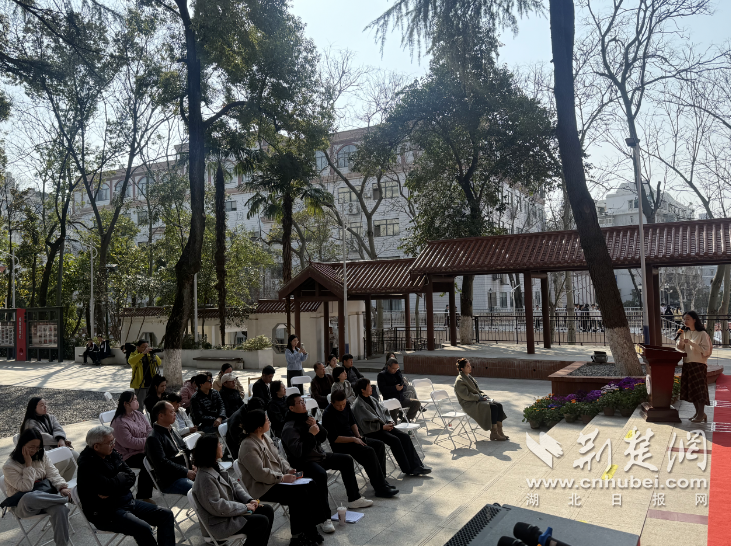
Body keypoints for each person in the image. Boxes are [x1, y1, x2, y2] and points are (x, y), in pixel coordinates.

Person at [237, 410, 333, 545]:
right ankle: (299, 536)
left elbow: (279, 458)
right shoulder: (248, 446)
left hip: (275, 480)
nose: (269, 421)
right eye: (266, 420)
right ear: (258, 427)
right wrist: (282, 478)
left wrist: (288, 470)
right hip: (262, 487)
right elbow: (260, 474)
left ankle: (312, 529)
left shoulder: (264, 437)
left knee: (310, 484)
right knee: (298, 493)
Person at [76, 425, 175, 546]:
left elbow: (131, 476)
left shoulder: (112, 454)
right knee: (143, 529)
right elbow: (106, 488)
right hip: (105, 513)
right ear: (96, 446)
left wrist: (114, 485)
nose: (113, 444)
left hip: (126, 502)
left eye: (113, 440)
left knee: (166, 515)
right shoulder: (87, 466)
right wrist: (119, 481)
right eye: (110, 442)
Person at [281, 393, 374, 511]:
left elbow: (323, 437)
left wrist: (316, 425)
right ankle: (324, 515)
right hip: (304, 463)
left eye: (303, 401)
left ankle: (354, 499)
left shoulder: (307, 419)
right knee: (320, 474)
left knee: (346, 460)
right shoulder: (290, 427)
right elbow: (298, 452)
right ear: (292, 408)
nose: (303, 404)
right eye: (299, 403)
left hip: (318, 456)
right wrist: (311, 434)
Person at [191, 434, 274, 546]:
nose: (221, 445)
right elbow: (218, 506)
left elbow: (234, 484)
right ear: (211, 450)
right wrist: (245, 507)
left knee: (267, 510)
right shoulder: (204, 478)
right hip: (220, 523)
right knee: (261, 522)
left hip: (229, 514)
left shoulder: (214, 465)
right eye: (219, 444)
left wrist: (248, 500)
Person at [322, 389, 398, 498]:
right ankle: (380, 488)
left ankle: (381, 480)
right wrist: (354, 439)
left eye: (343, 404)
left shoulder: (346, 405)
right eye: (338, 405)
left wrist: (357, 436)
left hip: (353, 438)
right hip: (341, 444)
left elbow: (352, 422)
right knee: (368, 451)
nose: (342, 407)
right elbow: (335, 439)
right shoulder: (327, 414)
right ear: (332, 403)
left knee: (379, 445)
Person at [2, 429, 72, 546]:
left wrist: (62, 488)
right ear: (21, 445)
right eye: (31, 447)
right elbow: (26, 488)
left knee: (60, 509)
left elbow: (53, 473)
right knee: (29, 496)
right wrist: (28, 465)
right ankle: (68, 499)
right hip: (23, 505)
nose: (34, 450)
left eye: (37, 447)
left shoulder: (41, 455)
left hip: (45, 499)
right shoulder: (9, 466)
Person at [351, 378, 430, 476]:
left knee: (405, 437)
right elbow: (364, 425)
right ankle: (408, 469)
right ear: (362, 390)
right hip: (373, 431)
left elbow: (384, 411)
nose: (371, 388)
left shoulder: (372, 399)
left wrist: (389, 421)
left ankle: (416, 466)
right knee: (395, 440)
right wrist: (382, 427)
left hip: (384, 426)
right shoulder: (358, 405)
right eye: (369, 386)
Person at [110, 391, 155, 503]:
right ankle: (143, 496)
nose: (136, 401)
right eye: (133, 400)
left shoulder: (138, 414)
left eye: (136, 398)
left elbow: (149, 429)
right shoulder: (119, 422)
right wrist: (149, 441)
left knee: (159, 453)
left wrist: (150, 439)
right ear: (125, 404)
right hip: (127, 455)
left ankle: (157, 480)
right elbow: (130, 443)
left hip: (144, 449)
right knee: (148, 461)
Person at [20, 397, 79, 481]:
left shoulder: (50, 417)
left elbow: (58, 428)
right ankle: (54, 483)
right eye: (41, 405)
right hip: (43, 452)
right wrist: (59, 441)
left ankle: (66, 481)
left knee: (76, 456)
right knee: (65, 459)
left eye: (45, 404)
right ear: (34, 408)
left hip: (56, 447)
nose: (45, 407)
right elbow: (41, 437)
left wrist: (61, 439)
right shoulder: (30, 423)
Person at [145, 401, 195, 495]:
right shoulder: (153, 438)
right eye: (171, 412)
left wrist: (194, 464)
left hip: (185, 471)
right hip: (171, 480)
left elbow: (185, 449)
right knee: (198, 489)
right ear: (161, 416)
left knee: (212, 475)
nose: (175, 413)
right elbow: (162, 463)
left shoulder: (173, 429)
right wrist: (185, 471)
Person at [453, 358, 508, 440]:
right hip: (469, 404)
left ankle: (500, 432)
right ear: (462, 369)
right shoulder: (460, 380)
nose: (470, 367)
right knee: (493, 407)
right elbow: (466, 396)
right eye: (467, 366)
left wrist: (484, 396)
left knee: (499, 405)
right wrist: (479, 398)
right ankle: (494, 433)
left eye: (470, 365)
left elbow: (478, 391)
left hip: (477, 400)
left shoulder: (469, 377)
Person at [677, 310, 713, 423]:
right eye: (684, 319)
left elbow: (706, 350)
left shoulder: (702, 334)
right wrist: (681, 338)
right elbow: (680, 348)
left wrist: (691, 343)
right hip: (687, 363)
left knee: (699, 390)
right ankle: (699, 413)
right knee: (692, 390)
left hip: (698, 364)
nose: (685, 321)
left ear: (694, 320)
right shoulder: (685, 332)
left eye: (688, 319)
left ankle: (701, 414)